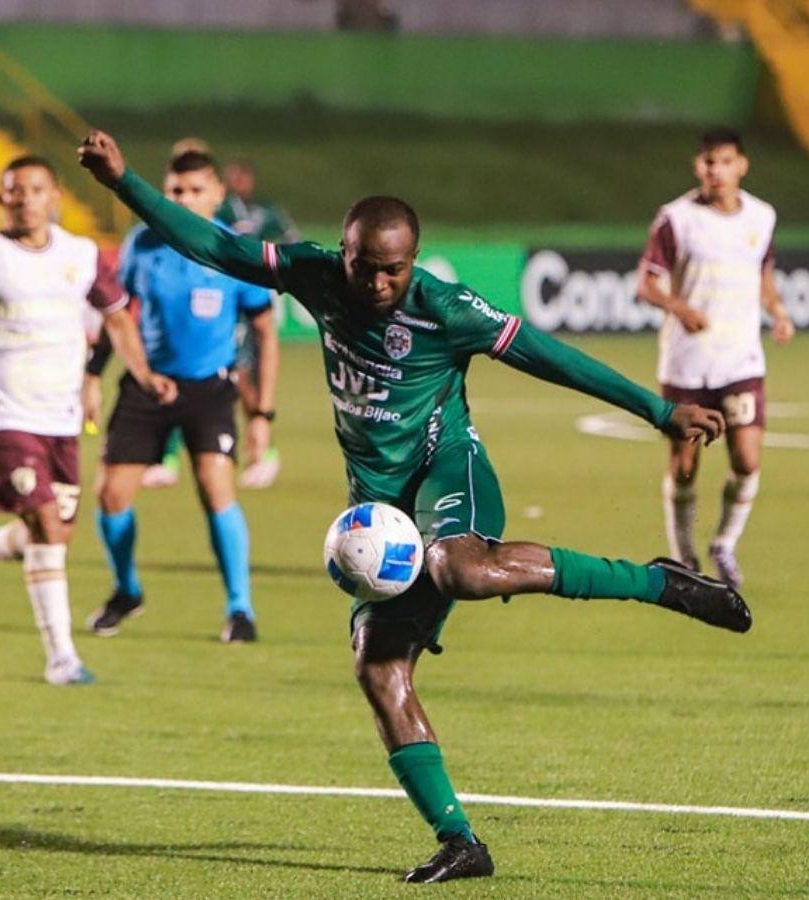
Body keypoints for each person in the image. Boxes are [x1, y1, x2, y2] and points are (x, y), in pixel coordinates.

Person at [78, 129, 752, 883]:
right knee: (378, 669)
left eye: (393, 270)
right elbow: (216, 247)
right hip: (378, 506)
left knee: (460, 566)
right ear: (344, 252)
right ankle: (461, 841)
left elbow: (554, 359)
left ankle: (659, 581)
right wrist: (124, 183)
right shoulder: (315, 275)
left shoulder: (446, 308)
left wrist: (660, 413)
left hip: (448, 469)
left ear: (413, 260)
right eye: (365, 267)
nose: (377, 284)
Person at [0, 155, 155, 686]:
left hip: (60, 415)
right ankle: (61, 656)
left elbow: (117, 319)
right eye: (14, 191)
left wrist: (144, 377)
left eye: (36, 189)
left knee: (56, 532)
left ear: (54, 196)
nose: (25, 199)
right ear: (1, 199)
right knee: (43, 522)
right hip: (4, 412)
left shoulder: (81, 255)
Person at [81, 149, 279, 644]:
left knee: (216, 487)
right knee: (111, 494)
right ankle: (127, 591)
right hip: (148, 384)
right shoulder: (142, 245)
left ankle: (240, 609)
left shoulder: (235, 250)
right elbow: (117, 314)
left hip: (211, 387)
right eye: (175, 191)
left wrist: (262, 412)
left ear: (217, 194)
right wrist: (92, 374)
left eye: (195, 190)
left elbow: (264, 331)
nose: (184, 199)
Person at [636, 127, 795, 589]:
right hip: (687, 363)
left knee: (746, 459)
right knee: (685, 465)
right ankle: (685, 557)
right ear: (697, 166)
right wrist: (680, 309)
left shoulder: (762, 217)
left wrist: (779, 312)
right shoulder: (676, 219)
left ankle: (724, 543)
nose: (716, 171)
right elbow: (647, 283)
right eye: (708, 162)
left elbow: (763, 275)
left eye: (725, 162)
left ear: (742, 165)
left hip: (741, 361)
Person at [220, 157, 300, 489]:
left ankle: (263, 450)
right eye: (232, 177)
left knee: (242, 374)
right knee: (235, 375)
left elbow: (292, 241)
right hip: (227, 298)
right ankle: (257, 450)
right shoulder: (221, 212)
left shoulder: (266, 211)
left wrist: (274, 264)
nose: (237, 182)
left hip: (254, 299)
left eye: (241, 176)